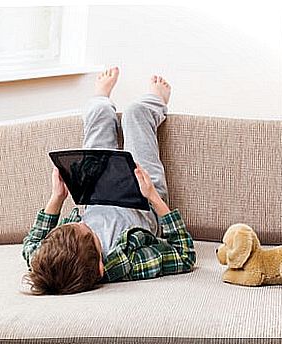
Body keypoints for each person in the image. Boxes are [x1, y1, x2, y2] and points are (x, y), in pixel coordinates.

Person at [22, 67, 196, 295]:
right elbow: (184, 255)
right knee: (136, 113)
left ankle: (101, 99)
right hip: (142, 199)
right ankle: (156, 101)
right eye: (89, 232)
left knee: (99, 114)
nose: (85, 223)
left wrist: (57, 198)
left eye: (77, 223)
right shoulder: (128, 263)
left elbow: (31, 246)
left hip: (97, 192)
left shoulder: (45, 262)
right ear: (100, 268)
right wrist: (153, 196)